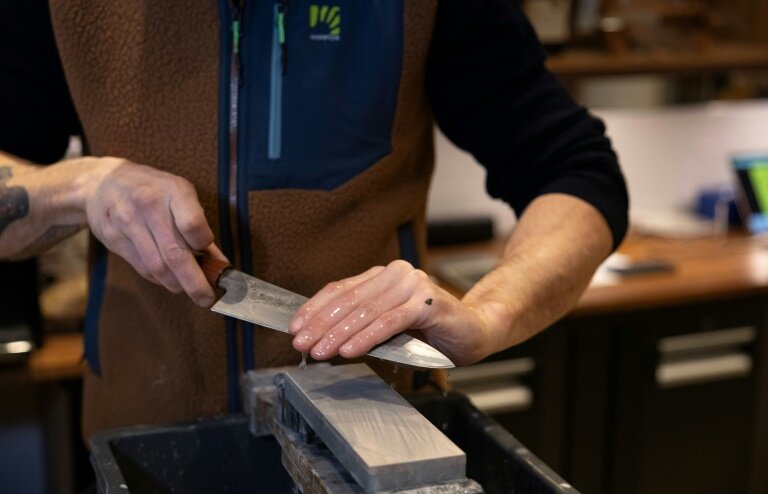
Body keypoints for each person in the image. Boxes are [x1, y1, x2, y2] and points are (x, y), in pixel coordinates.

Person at [0, 0, 628, 440]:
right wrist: (81, 187)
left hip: (375, 439)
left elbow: (576, 171)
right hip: (144, 445)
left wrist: (488, 314)